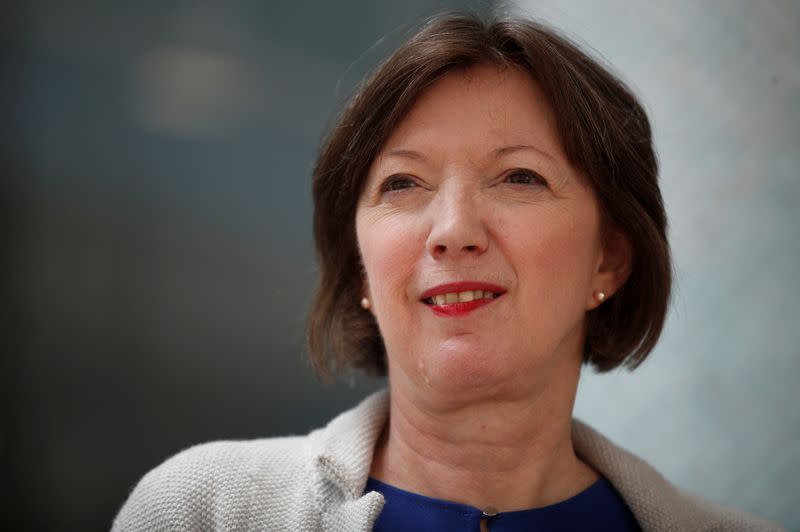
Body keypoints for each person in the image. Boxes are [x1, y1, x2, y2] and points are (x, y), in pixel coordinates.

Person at [112, 12, 782, 531]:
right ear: (361, 271)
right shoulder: (206, 511)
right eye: (403, 183)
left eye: (520, 177)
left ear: (608, 257)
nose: (454, 230)